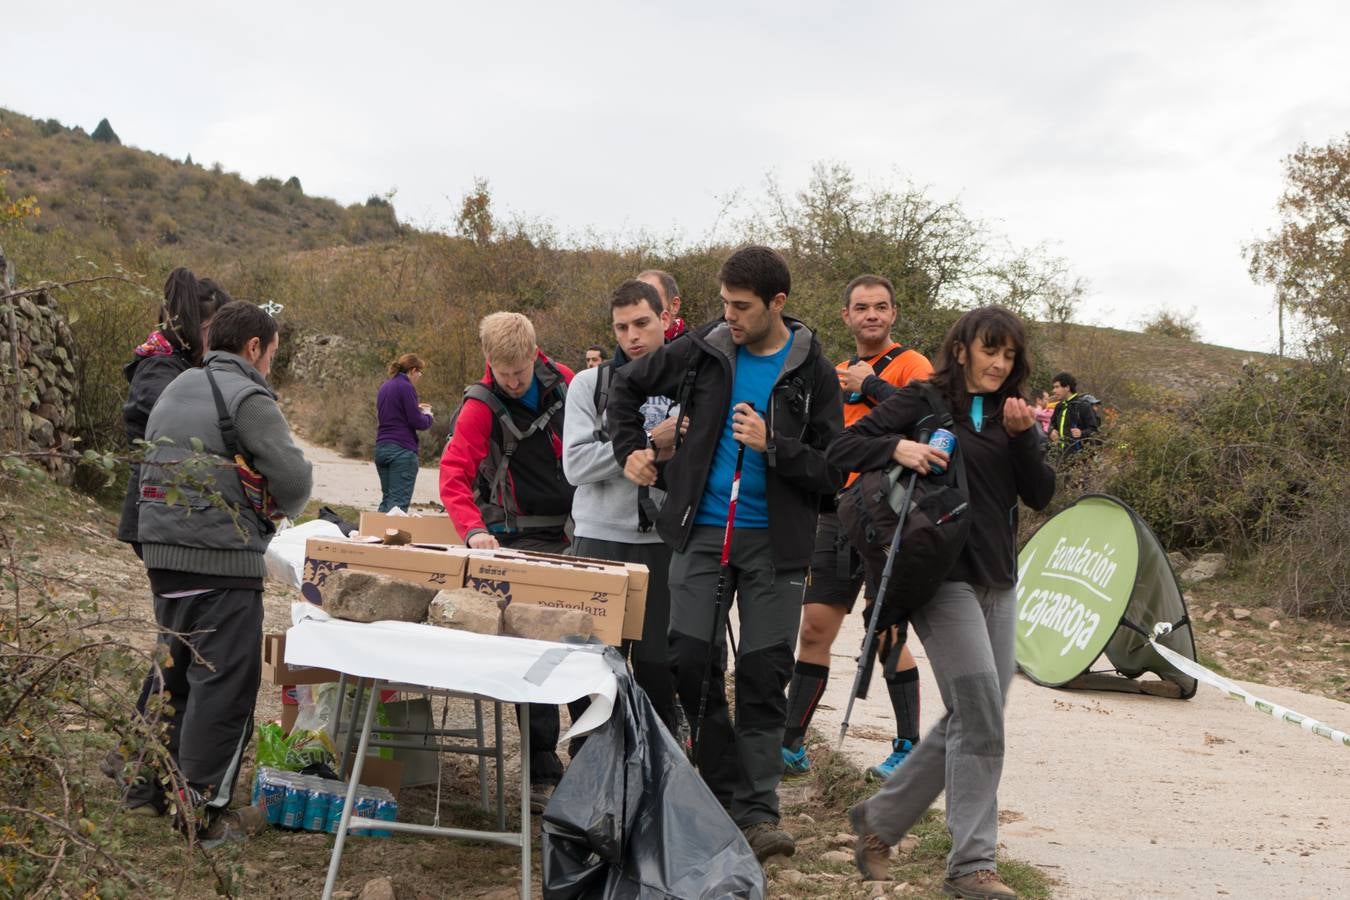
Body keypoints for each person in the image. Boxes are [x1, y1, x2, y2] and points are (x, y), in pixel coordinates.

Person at [610, 245, 843, 862]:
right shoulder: (706, 349)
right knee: (689, 662)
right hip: (705, 532)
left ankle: (760, 811)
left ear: (778, 304)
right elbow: (624, 389)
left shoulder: (812, 367)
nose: (729, 316)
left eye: (741, 307)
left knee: (766, 676)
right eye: (724, 304)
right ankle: (719, 795)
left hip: (777, 544)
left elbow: (834, 469)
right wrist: (629, 449)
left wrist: (774, 447)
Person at [832, 306, 1054, 898]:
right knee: (980, 703)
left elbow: (1040, 493)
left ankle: (879, 820)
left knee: (976, 710)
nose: (999, 364)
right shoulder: (926, 400)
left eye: (1009, 356)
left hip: (998, 578)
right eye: (990, 351)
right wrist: (897, 448)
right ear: (962, 350)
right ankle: (972, 866)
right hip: (940, 577)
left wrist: (1024, 437)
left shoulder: (1013, 414)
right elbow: (843, 451)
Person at [136, 300, 312, 845]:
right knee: (225, 681)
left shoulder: (176, 384)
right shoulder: (247, 395)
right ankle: (200, 810)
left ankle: (146, 786)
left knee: (176, 667)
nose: (269, 368)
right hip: (219, 557)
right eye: (272, 355)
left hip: (163, 554)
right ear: (254, 347)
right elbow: (295, 479)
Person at [781, 274, 933, 782]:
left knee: (884, 632)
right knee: (814, 627)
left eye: (881, 307)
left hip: (889, 511)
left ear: (893, 314)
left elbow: (928, 424)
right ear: (845, 315)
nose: (871, 315)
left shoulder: (914, 366)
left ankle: (906, 745)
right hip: (834, 509)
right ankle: (791, 745)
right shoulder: (832, 371)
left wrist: (868, 384)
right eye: (862, 307)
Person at [438, 311, 578, 811]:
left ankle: (589, 759)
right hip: (513, 537)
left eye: (520, 372)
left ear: (536, 354)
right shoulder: (479, 407)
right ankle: (542, 765)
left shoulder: (565, 383)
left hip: (572, 533)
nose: (515, 382)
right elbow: (453, 474)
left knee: (585, 647)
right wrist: (473, 530)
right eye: (504, 374)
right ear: (488, 363)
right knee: (532, 657)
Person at [107, 267, 231, 808]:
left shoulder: (173, 362)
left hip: (167, 518)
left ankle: (136, 753)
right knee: (176, 645)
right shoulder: (160, 367)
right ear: (197, 325)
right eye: (214, 329)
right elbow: (148, 420)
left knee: (174, 642)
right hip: (159, 520)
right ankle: (140, 758)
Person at [562, 279, 679, 733]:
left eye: (643, 323)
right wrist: (650, 443)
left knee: (658, 669)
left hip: (664, 542)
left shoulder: (694, 385)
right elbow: (575, 465)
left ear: (665, 319)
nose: (632, 336)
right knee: (591, 669)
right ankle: (590, 767)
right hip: (599, 539)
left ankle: (656, 772)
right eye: (621, 327)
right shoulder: (590, 385)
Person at [374, 353, 433, 513]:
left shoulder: (385, 387)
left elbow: (395, 414)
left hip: (381, 448)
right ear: (413, 370)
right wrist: (428, 415)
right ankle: (390, 537)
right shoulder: (406, 387)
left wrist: (415, 408)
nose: (420, 376)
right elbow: (417, 422)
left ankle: (375, 534)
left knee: (387, 501)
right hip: (401, 451)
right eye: (420, 372)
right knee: (397, 507)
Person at [1048, 372, 1098, 453]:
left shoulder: (1083, 406)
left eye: (1057, 387)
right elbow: (1052, 425)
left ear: (1067, 387)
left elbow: (1094, 430)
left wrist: (1081, 433)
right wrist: (1051, 431)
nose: (1054, 390)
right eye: (1054, 387)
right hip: (1059, 456)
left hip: (1080, 458)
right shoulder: (1059, 406)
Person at [638, 268, 687, 341]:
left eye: (650, 299)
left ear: (674, 306)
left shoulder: (694, 350)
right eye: (635, 301)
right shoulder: (626, 348)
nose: (641, 307)